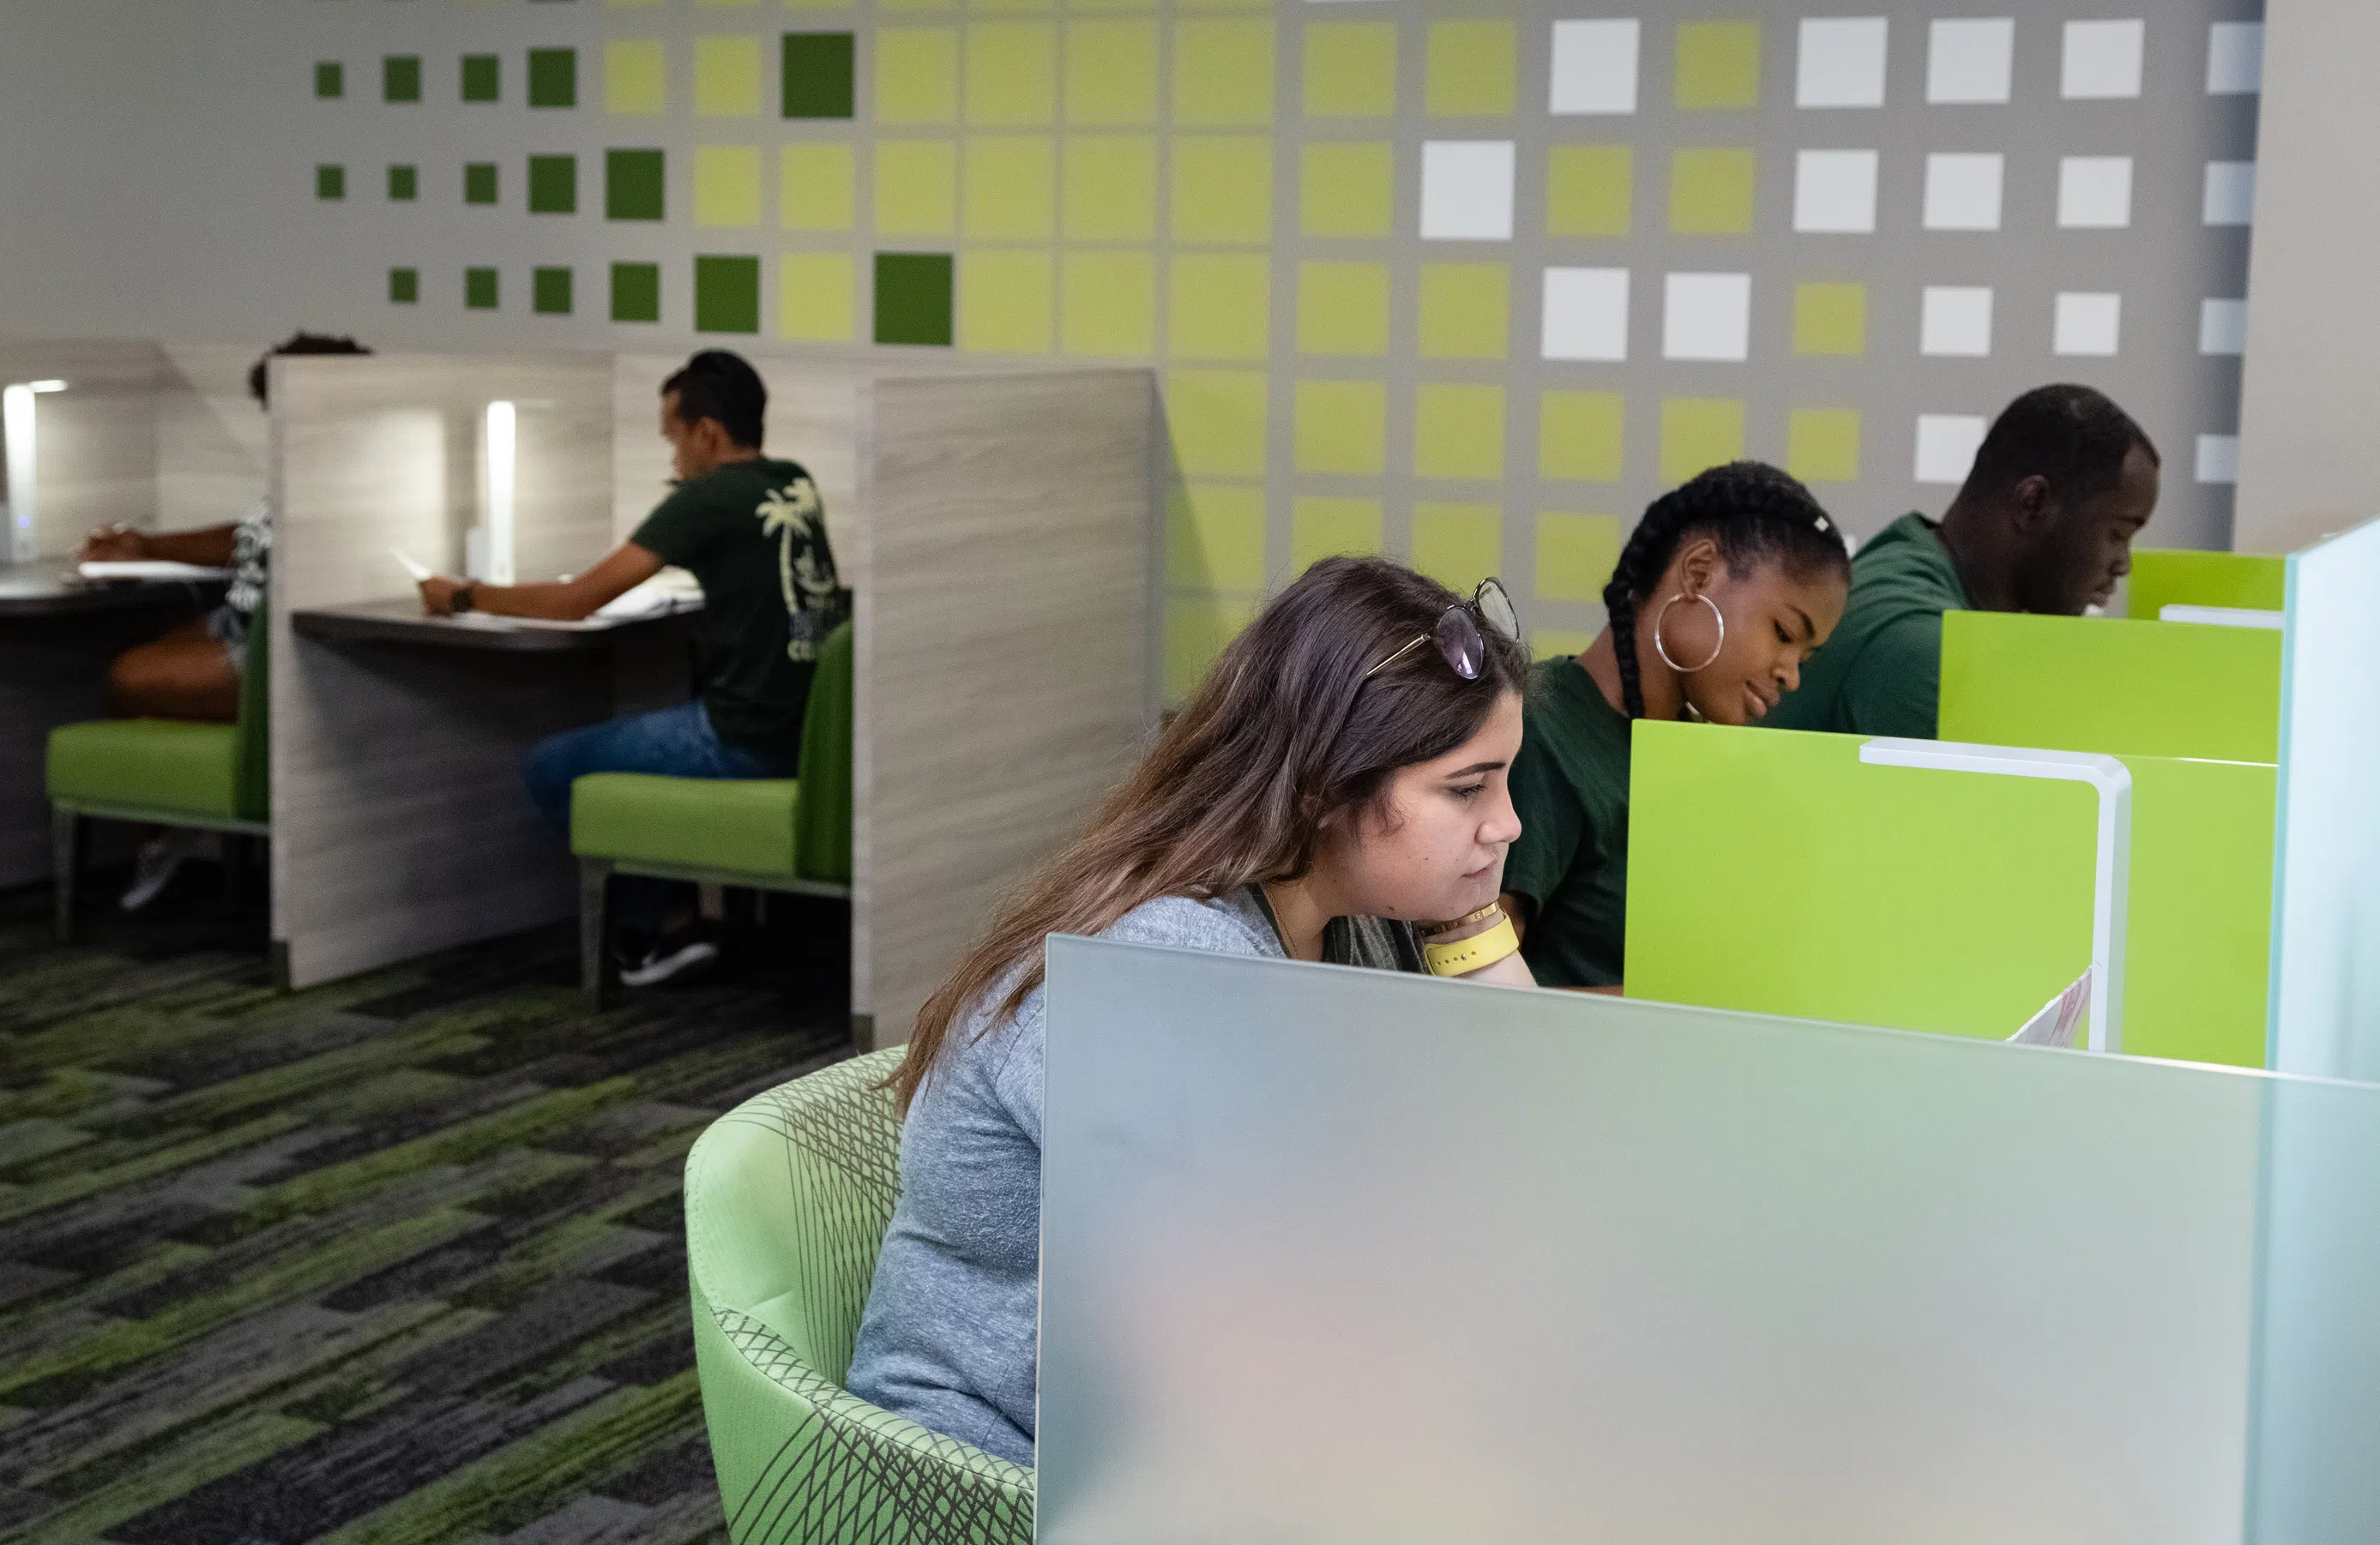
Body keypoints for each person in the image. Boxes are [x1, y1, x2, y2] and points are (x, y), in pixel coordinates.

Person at [847, 556, 1535, 1464]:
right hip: (989, 1469)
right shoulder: (1171, 965)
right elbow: (1219, 1326)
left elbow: (1515, 1148)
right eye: (1467, 788)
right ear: (1327, 786)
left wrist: (1472, 922)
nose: (1509, 822)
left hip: (1162, 1423)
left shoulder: (1344, 923)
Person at [420, 350, 841, 984]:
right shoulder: (794, 480)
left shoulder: (706, 499)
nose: (672, 458)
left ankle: (656, 933)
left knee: (551, 765)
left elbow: (576, 600)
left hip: (742, 737)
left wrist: (462, 595)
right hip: (803, 730)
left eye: (674, 439)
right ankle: (672, 917)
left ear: (708, 433)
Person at [1500, 460, 1849, 994]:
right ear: (1699, 572)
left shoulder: (1700, 758)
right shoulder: (1538, 733)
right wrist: (1681, 1007)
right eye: (1783, 632)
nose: (1792, 675)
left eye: (1807, 655)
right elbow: (1466, 998)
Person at [77, 331, 370, 908]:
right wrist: (148, 547)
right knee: (152, 649)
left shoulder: (351, 475)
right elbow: (249, 538)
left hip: (270, 652)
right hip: (235, 623)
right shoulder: (304, 458)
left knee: (127, 675)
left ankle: (169, 832)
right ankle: (182, 818)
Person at [1767, 384, 2160, 739]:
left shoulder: (1911, 556)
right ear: (2033, 503)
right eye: (2117, 534)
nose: (2123, 564)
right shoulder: (1923, 648)